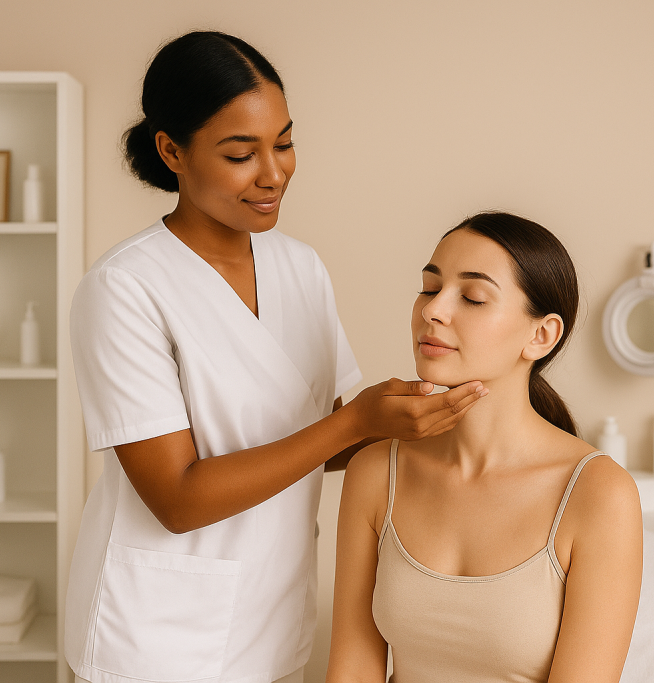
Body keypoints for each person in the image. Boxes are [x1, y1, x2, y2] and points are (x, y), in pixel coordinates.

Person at [64, 31, 486, 683]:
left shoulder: (299, 267)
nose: (274, 174)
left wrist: (424, 416)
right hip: (155, 634)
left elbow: (330, 441)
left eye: (284, 143)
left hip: (269, 618)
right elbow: (177, 498)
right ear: (172, 151)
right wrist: (357, 422)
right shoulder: (125, 288)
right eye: (241, 154)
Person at [326, 212, 643, 683]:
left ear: (541, 335)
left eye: (473, 297)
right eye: (429, 288)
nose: (433, 310)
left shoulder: (599, 494)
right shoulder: (375, 472)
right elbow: (352, 669)